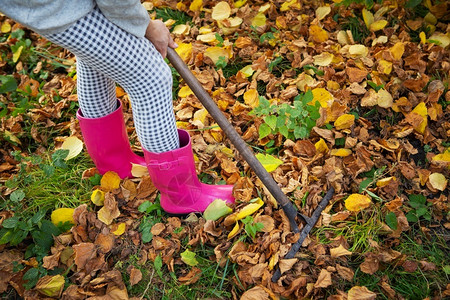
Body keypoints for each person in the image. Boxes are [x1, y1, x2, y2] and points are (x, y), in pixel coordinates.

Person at [0, 0, 234, 214]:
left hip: (50, 6)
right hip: (60, 8)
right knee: (151, 78)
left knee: (95, 60)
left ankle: (116, 165)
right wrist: (146, 26)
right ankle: (181, 195)